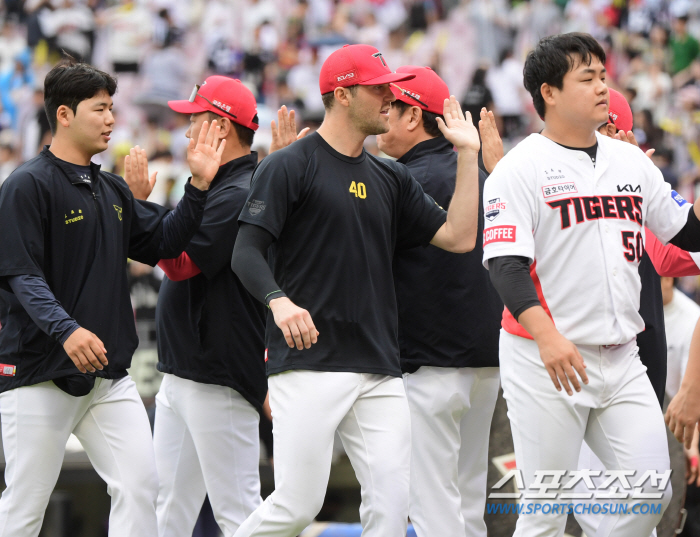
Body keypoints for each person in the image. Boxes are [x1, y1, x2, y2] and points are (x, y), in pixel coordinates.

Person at [230, 43, 481, 537]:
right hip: (307, 364)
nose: (390, 96)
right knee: (296, 507)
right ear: (343, 95)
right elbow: (245, 252)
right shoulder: (289, 165)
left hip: (379, 368)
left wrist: (469, 156)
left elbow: (458, 237)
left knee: (390, 513)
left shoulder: (391, 176)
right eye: (378, 87)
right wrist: (278, 302)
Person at [483, 32, 700, 536]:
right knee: (545, 511)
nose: (604, 87)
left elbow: (685, 229)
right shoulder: (519, 169)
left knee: (650, 493)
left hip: (621, 355)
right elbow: (505, 267)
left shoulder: (632, 163)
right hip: (545, 358)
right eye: (588, 77)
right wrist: (546, 335)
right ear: (548, 93)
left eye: (603, 75)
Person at [0, 58, 224, 537]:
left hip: (108, 377)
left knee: (142, 487)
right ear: (63, 114)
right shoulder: (26, 184)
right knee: (23, 508)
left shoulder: (112, 190)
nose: (110, 119)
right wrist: (67, 330)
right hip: (39, 372)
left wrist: (199, 187)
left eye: (112, 108)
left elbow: (164, 242)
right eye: (100, 109)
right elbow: (22, 275)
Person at [125, 76, 305, 537]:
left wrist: (149, 211)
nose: (186, 132)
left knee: (239, 512)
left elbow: (181, 262)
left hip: (219, 374)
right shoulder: (223, 184)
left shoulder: (238, 189)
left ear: (220, 128)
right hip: (184, 369)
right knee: (164, 506)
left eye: (194, 120)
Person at [375, 65, 502, 537]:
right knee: (468, 500)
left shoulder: (398, 180)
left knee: (431, 506)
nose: (380, 117)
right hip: (487, 358)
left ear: (413, 118)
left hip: (429, 362)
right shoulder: (484, 173)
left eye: (389, 108)